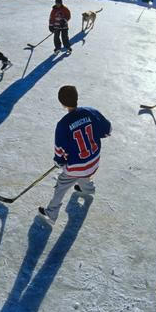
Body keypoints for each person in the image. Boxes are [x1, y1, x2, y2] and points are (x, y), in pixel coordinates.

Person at [38, 85, 111, 225]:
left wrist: (59, 161)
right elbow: (107, 129)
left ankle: (51, 213)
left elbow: (60, 151)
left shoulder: (63, 124)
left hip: (76, 167)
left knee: (62, 185)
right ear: (77, 97)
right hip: (94, 160)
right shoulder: (90, 112)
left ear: (62, 103)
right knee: (84, 174)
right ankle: (89, 189)